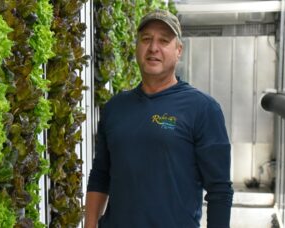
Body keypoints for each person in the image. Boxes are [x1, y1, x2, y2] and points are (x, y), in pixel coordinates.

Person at [85, 9, 233, 228]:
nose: (153, 48)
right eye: (146, 39)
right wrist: (89, 224)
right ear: (137, 46)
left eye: (164, 41)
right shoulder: (115, 108)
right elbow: (100, 174)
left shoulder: (203, 109)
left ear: (178, 50)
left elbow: (219, 189)